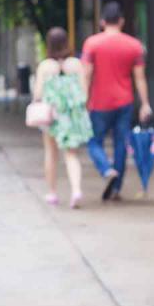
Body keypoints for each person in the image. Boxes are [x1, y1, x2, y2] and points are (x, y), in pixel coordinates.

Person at [81, 1, 152, 201]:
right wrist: (145, 104)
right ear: (121, 21)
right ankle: (116, 188)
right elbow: (140, 78)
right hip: (124, 102)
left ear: (102, 22)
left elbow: (86, 75)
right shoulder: (134, 45)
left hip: (99, 103)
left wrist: (83, 101)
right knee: (121, 144)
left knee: (94, 141)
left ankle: (106, 169)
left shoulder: (92, 44)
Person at [32, 27, 93, 208]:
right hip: (71, 116)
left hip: (52, 115)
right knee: (71, 154)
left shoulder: (45, 66)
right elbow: (84, 91)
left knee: (51, 153)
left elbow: (38, 93)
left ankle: (52, 193)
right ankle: (76, 190)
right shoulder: (76, 64)